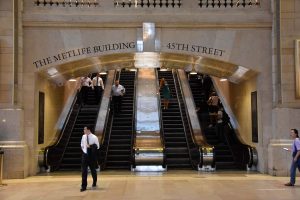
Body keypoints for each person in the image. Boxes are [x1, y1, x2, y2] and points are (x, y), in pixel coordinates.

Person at [80, 126, 100, 192]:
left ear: (88, 130)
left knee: (93, 170)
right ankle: (84, 186)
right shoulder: (83, 136)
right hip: (85, 154)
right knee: (84, 171)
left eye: (85, 129)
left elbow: (98, 146)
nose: (84, 130)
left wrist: (90, 146)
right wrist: (83, 148)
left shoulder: (94, 137)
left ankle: (94, 181)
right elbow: (82, 144)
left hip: (91, 155)